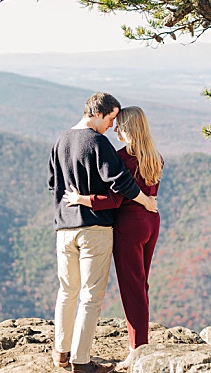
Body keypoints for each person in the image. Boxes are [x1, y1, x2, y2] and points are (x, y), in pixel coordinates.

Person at [48, 93, 157, 373]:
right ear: (99, 113)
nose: (112, 126)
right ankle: (81, 364)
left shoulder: (60, 140)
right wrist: (145, 201)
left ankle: (61, 351)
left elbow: (52, 183)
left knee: (67, 290)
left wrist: (73, 197)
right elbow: (120, 183)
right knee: (90, 296)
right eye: (111, 119)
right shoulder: (98, 143)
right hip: (94, 228)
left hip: (64, 227)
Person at [64, 105, 163, 354]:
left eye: (119, 124)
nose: (115, 128)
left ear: (128, 128)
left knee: (132, 289)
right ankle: (141, 341)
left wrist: (81, 199)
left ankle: (138, 349)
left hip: (129, 226)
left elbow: (115, 200)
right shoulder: (155, 157)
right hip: (151, 222)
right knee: (141, 286)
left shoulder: (122, 158)